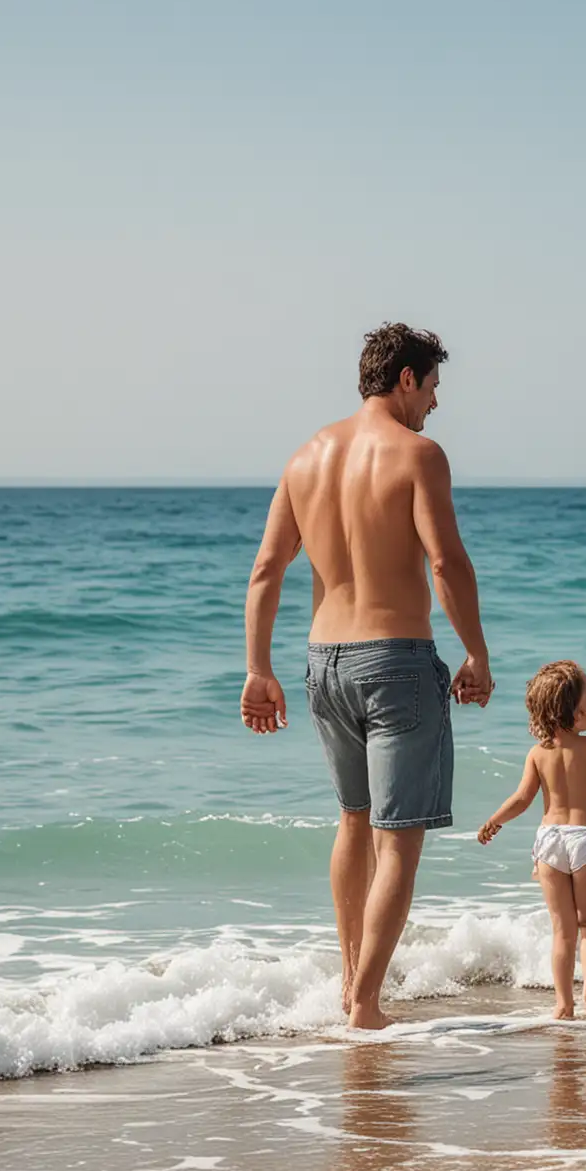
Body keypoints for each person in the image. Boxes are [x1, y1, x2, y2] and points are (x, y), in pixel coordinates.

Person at [240, 323, 493, 1030]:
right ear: (406, 379)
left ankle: (353, 980)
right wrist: (476, 653)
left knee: (353, 823)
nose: (437, 404)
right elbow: (446, 564)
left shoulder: (305, 458)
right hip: (396, 659)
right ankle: (366, 1004)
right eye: (434, 387)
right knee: (399, 837)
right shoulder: (418, 455)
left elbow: (265, 571)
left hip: (323, 662)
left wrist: (258, 668)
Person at [478, 661, 586, 1022]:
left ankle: (563, 1004)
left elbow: (522, 799)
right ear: (575, 714)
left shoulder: (537, 754)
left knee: (562, 931)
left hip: (549, 841)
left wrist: (494, 820)